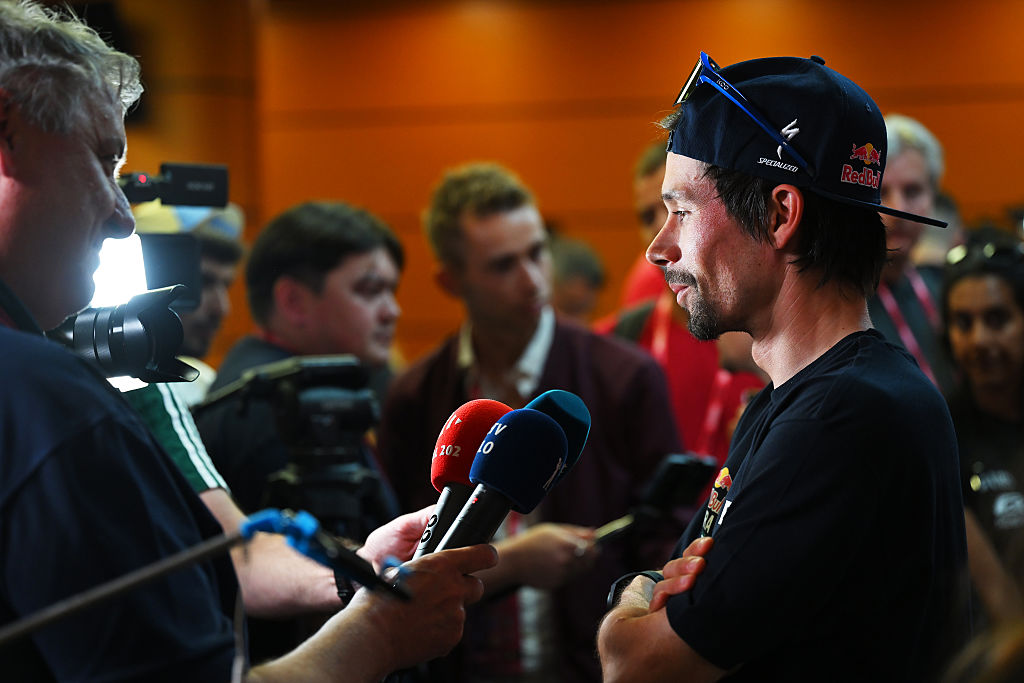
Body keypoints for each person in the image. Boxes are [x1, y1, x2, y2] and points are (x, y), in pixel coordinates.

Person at [0, 2, 495, 680]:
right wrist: (379, 631)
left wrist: (357, 574)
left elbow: (237, 548)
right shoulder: (51, 400)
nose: (121, 216)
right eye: (102, 158)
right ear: (7, 129)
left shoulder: (104, 374)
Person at [597, 54, 968, 681]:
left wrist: (625, 605)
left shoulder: (842, 418)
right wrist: (645, 592)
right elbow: (667, 580)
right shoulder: (799, 401)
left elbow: (635, 664)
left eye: (682, 210)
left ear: (779, 215)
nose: (658, 249)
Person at [378, 162, 682, 682]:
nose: (534, 280)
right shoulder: (416, 396)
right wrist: (515, 561)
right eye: (503, 265)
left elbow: (665, 538)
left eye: (537, 253)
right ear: (451, 281)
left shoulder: (623, 376)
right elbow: (401, 558)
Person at [942, 235, 1024, 628]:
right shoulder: (943, 434)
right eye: (963, 323)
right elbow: (998, 598)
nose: (980, 340)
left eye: (997, 319)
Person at [869, 113, 955, 393]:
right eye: (881, 192)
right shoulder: (837, 300)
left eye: (913, 190)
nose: (899, 209)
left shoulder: (944, 288)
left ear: (933, 197)